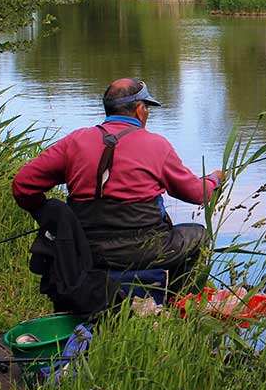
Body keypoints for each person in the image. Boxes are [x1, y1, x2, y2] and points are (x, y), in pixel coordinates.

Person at [12, 78, 223, 291]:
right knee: (198, 236)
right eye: (147, 108)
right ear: (140, 110)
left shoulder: (75, 142)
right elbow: (197, 194)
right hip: (145, 250)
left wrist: (50, 215)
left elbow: (22, 185)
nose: (147, 114)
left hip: (86, 249)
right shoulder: (156, 145)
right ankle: (176, 300)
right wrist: (214, 180)